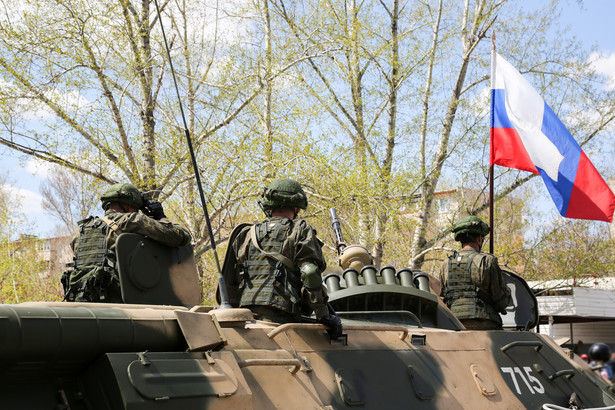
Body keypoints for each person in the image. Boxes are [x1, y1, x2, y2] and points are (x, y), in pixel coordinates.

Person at [227, 178, 342, 339]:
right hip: (281, 315)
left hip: (247, 313)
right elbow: (309, 272)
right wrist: (323, 314)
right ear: (296, 207)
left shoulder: (247, 234)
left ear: (269, 206)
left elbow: (234, 276)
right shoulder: (299, 230)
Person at [62, 183, 192, 303]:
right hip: (119, 301)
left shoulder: (80, 231)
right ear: (130, 206)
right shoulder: (130, 220)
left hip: (84, 300)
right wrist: (160, 217)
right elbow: (181, 236)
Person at [439, 215, 511, 330]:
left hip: (453, 324)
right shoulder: (487, 261)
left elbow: (442, 296)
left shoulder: (445, 264)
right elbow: (501, 300)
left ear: (460, 239)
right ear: (479, 239)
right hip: (485, 324)